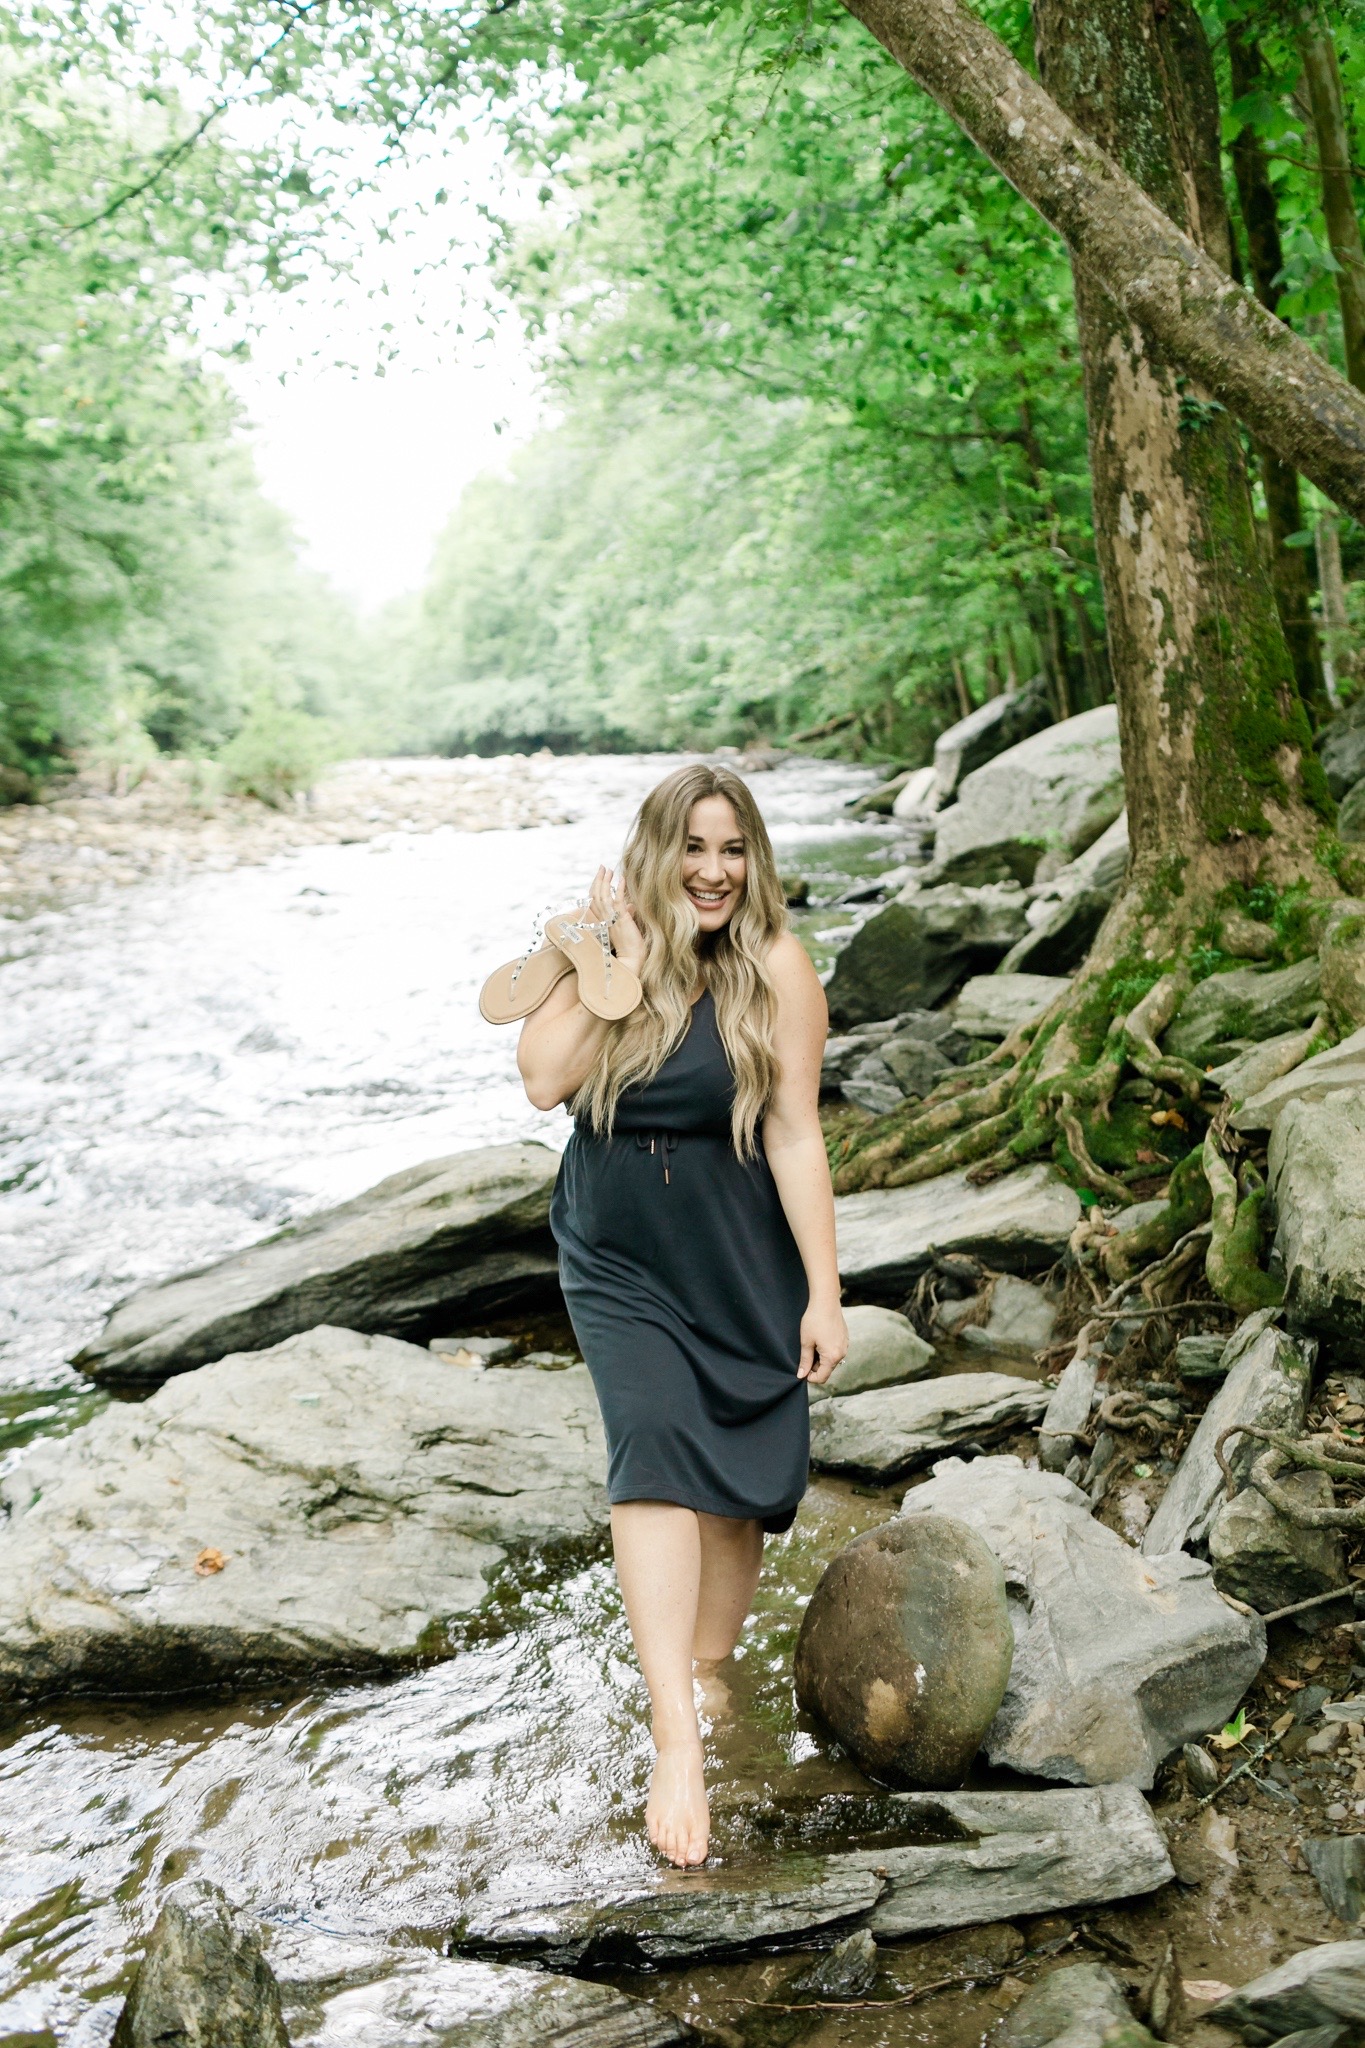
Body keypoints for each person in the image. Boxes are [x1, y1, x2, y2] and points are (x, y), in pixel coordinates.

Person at [517, 763, 847, 1869]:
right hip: (616, 1249)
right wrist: (619, 952)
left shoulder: (779, 968)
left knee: (746, 1488)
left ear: (753, 858)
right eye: (693, 847)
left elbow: (797, 1129)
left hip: (736, 1248)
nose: (713, 871)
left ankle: (705, 1670)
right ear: (659, 852)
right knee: (654, 1451)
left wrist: (825, 1288)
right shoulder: (610, 953)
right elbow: (541, 1079)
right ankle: (675, 1739)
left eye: (733, 848)